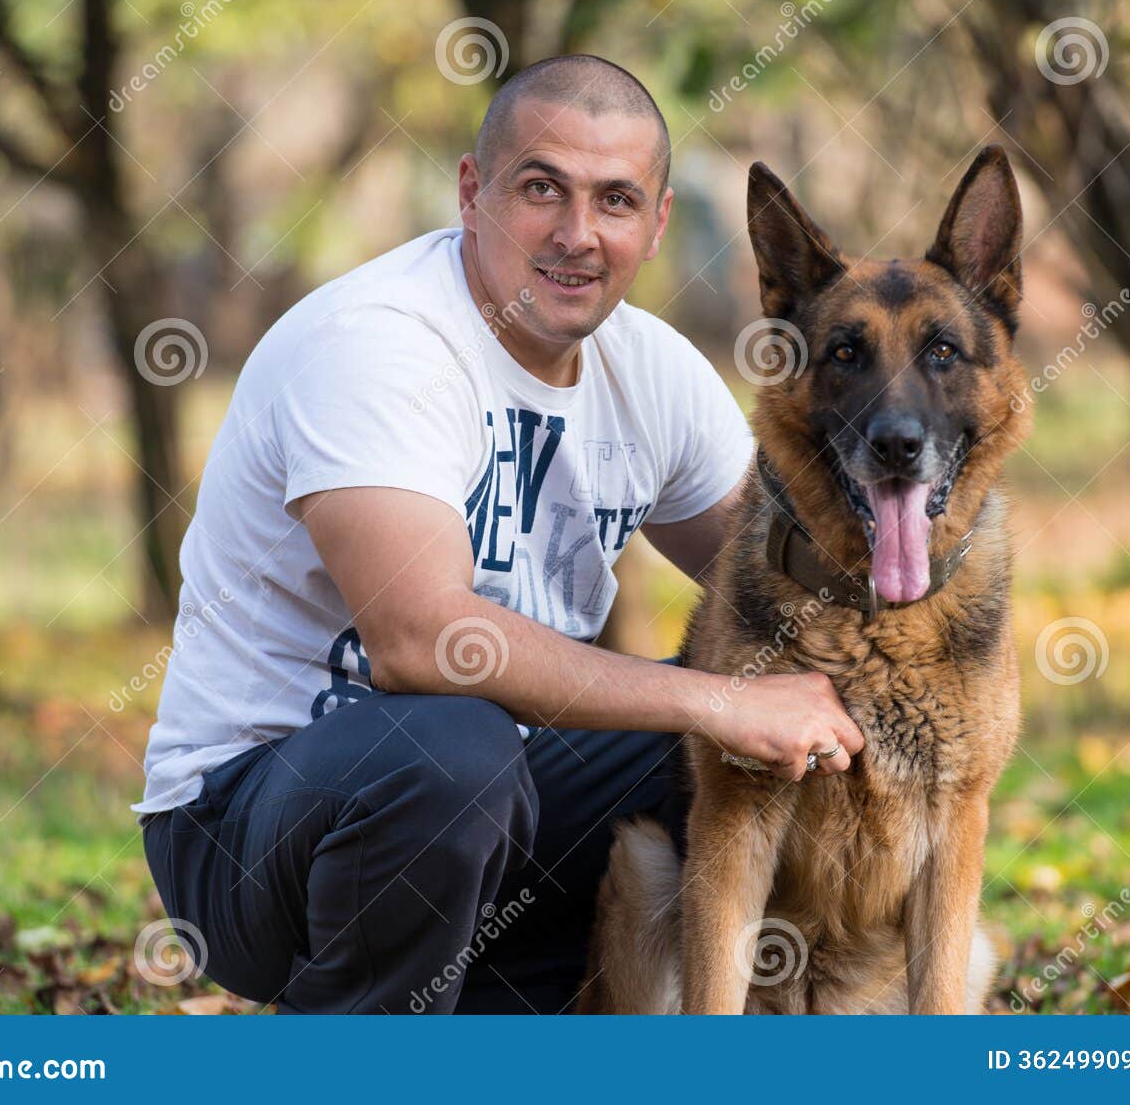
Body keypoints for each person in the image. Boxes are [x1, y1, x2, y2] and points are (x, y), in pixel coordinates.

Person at [135, 53, 863, 1014]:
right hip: (249, 825)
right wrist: (717, 699)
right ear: (472, 192)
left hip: (495, 810)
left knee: (770, 752)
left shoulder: (653, 374)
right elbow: (422, 640)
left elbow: (796, 584)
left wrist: (901, 461)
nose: (576, 234)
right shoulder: (381, 343)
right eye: (540, 189)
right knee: (457, 749)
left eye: (614, 201)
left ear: (655, 224)